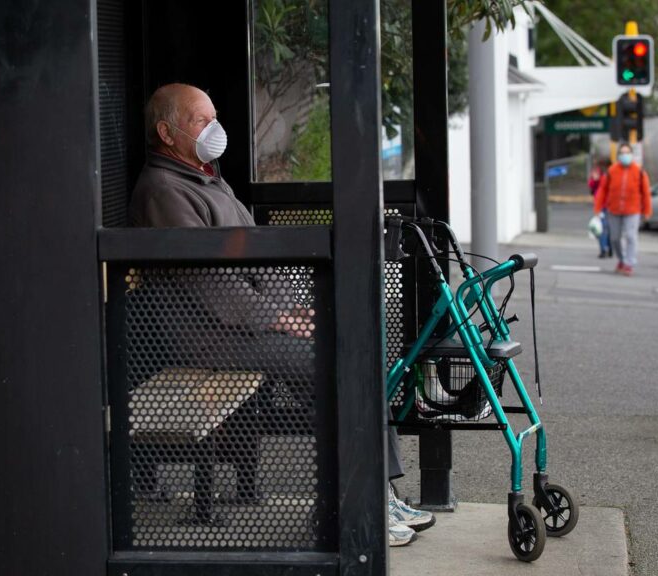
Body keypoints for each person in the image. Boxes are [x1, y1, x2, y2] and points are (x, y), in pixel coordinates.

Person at [130, 83, 433, 546]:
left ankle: (376, 490)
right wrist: (281, 319)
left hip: (240, 328)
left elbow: (259, 254)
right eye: (200, 121)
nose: (214, 129)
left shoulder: (208, 177)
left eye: (214, 118)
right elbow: (212, 283)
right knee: (341, 365)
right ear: (167, 133)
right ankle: (363, 499)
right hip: (208, 335)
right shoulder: (164, 189)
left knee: (356, 356)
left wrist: (293, 307)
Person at [593, 143, 652, 276]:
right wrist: (598, 207)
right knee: (614, 238)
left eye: (627, 153)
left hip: (633, 210)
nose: (625, 155)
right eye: (622, 153)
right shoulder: (612, 171)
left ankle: (629, 263)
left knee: (631, 236)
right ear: (619, 155)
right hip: (613, 210)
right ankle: (621, 259)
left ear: (631, 155)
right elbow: (603, 189)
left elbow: (646, 193)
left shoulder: (639, 172)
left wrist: (647, 210)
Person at [588, 158, 612, 259]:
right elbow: (591, 185)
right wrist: (594, 179)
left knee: (606, 229)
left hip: (609, 205)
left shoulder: (609, 175)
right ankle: (604, 249)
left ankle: (608, 248)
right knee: (603, 229)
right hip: (602, 206)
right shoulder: (597, 174)